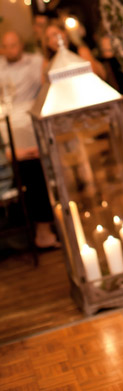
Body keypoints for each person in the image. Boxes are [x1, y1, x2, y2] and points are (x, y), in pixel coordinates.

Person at [0, 30, 59, 248]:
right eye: (7, 46)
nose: (11, 50)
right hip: (9, 136)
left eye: (14, 45)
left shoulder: (35, 63)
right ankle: (42, 230)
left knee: (40, 166)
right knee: (31, 169)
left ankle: (48, 225)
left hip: (32, 126)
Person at [42, 21, 106, 81]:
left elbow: (96, 76)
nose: (52, 41)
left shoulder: (81, 51)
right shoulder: (47, 62)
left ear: (64, 32)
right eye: (48, 39)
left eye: (55, 35)